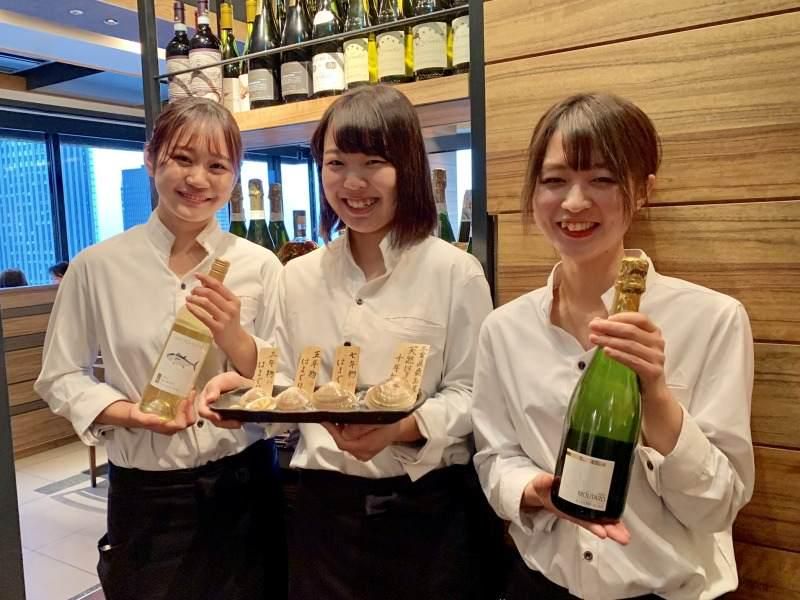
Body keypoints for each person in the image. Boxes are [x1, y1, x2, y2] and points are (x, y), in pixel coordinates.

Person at [200, 85, 504, 600]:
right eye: (336, 163)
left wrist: (403, 427)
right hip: (322, 513)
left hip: (426, 514)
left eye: (374, 163)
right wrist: (245, 388)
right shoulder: (298, 276)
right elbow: (288, 380)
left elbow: (474, 393)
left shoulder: (457, 272)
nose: (353, 183)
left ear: (407, 168)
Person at [472, 92, 755, 600]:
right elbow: (496, 458)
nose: (574, 202)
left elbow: (717, 507)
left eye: (602, 180)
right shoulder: (503, 329)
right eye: (554, 181)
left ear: (643, 190)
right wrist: (535, 491)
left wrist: (658, 399)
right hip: (539, 586)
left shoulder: (712, 320)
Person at [35, 97, 286, 600]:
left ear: (235, 177)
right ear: (151, 159)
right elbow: (60, 375)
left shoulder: (259, 266)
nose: (198, 179)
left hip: (246, 483)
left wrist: (236, 342)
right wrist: (131, 414)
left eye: (217, 166)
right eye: (182, 159)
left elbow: (285, 378)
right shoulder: (97, 267)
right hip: (147, 494)